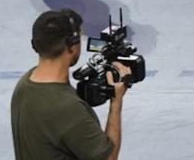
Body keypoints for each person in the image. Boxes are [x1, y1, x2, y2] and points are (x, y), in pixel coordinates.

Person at [12, 8, 128, 160]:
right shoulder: (69, 109)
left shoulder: (24, 84)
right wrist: (116, 101)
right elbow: (109, 158)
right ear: (72, 46)